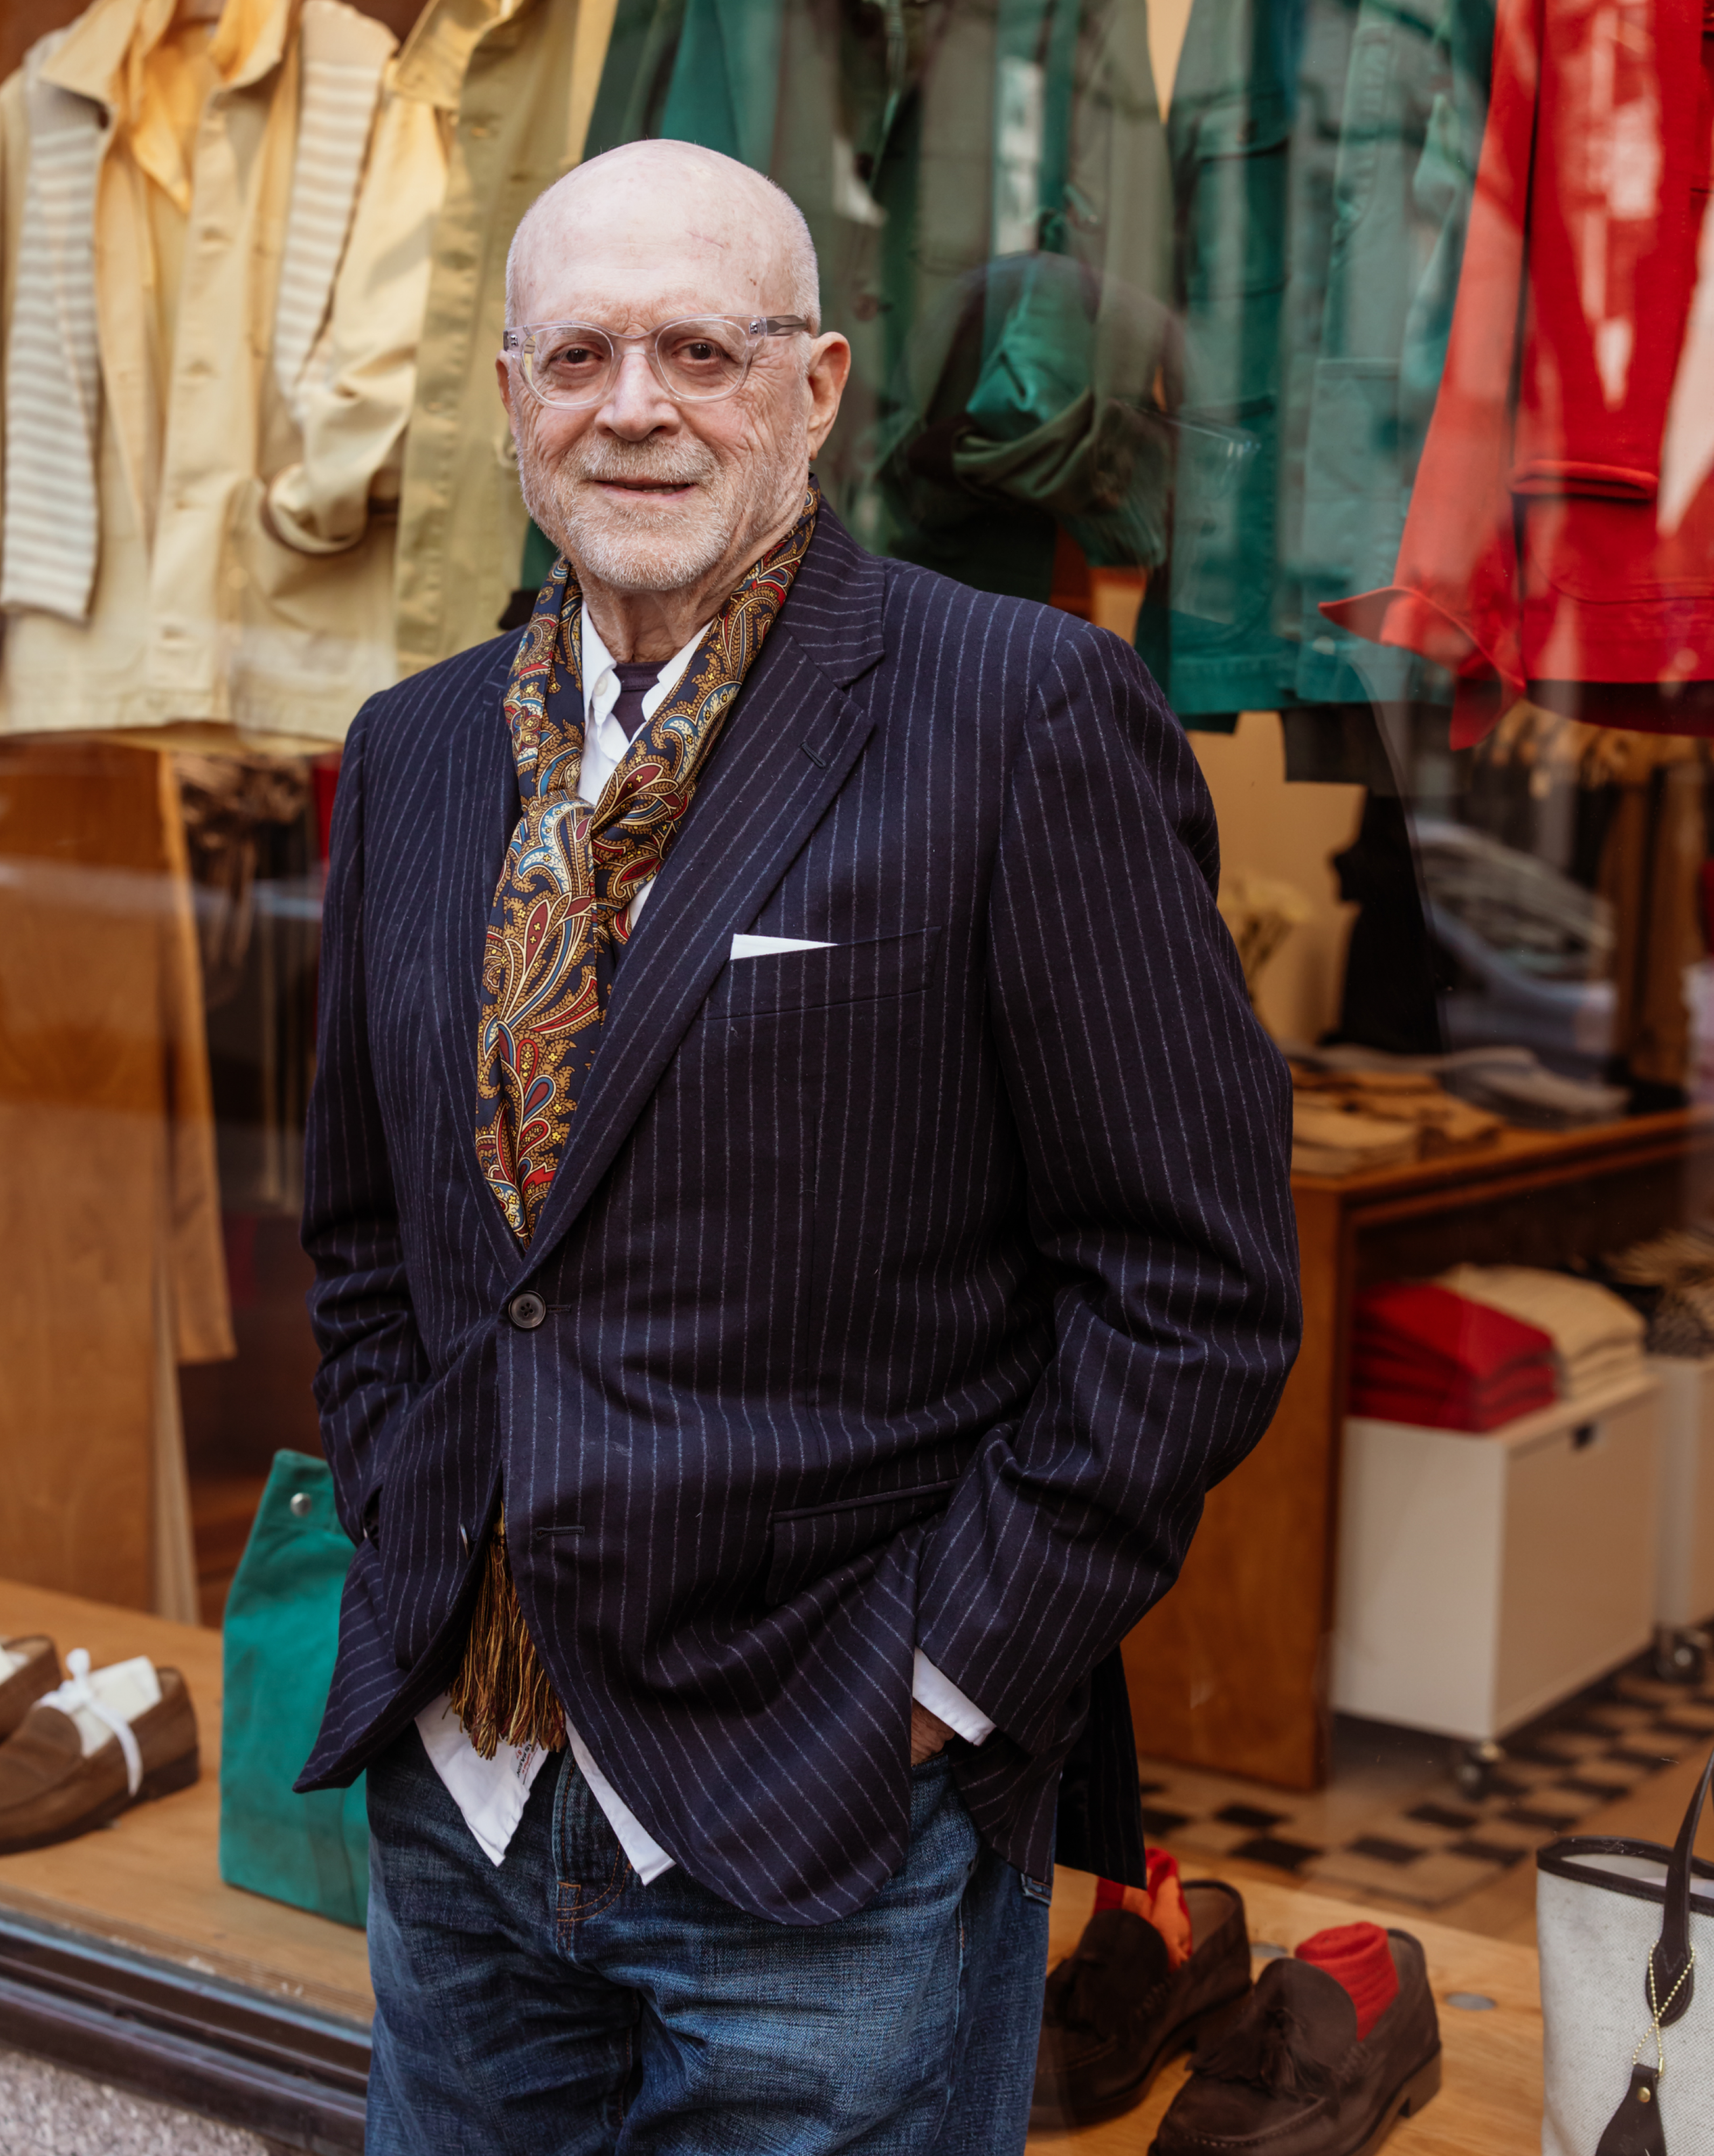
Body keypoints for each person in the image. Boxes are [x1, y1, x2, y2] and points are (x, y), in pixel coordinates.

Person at [297, 137, 1301, 2155]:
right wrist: (411, 1535)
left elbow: (1191, 1285)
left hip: (836, 1824)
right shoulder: (411, 752)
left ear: (821, 387)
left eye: (701, 348)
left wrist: (944, 1684)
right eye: (575, 355)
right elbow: (366, 1231)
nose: (635, 405)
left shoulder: (1019, 709)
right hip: (463, 1802)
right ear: (508, 403)